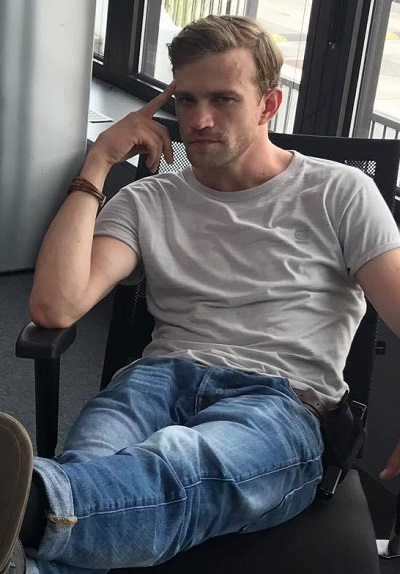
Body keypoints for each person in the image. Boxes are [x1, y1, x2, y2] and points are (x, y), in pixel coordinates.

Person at [1, 13, 400, 574]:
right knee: (95, 482)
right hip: (155, 382)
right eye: (186, 100)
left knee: (172, 465)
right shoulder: (148, 201)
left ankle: (27, 503)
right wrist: (99, 162)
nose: (199, 120)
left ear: (268, 104)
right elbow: (55, 306)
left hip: (281, 403)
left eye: (223, 99)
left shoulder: (339, 192)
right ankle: (30, 508)